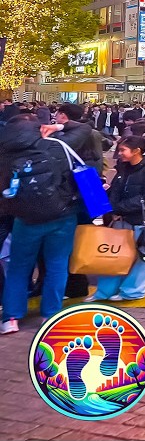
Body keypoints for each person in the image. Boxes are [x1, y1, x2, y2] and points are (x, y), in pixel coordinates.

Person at [0, 116, 80, 332]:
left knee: (18, 267)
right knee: (57, 265)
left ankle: (11, 319)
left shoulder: (5, 153)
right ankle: (50, 315)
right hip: (62, 215)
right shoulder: (57, 146)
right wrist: (59, 126)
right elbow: (83, 131)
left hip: (24, 219)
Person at [85, 135, 145, 300]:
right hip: (124, 220)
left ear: (137, 151)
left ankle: (132, 292)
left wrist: (117, 208)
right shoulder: (125, 169)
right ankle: (106, 291)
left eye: (123, 150)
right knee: (113, 257)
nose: (119, 153)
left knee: (139, 260)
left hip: (139, 222)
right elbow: (117, 191)